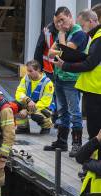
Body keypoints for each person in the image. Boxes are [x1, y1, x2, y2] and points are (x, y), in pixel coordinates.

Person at [44, 6, 89, 157]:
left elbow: (66, 52)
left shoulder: (78, 33)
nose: (59, 25)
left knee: (75, 112)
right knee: (62, 110)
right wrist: (60, 49)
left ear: (70, 16)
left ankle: (77, 144)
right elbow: (50, 53)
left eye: (62, 20)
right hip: (59, 77)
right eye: (57, 23)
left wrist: (61, 35)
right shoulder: (63, 34)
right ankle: (62, 141)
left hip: (71, 79)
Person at [54, 9, 101, 140]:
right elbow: (53, 51)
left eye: (83, 25)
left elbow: (89, 64)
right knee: (91, 124)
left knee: (93, 125)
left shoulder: (96, 37)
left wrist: (65, 65)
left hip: (95, 89)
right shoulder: (95, 37)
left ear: (91, 21)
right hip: (93, 87)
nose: (82, 28)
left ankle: (94, 157)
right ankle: (93, 155)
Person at [15, 59, 54, 134]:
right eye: (27, 71)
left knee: (36, 115)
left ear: (38, 70)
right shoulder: (26, 79)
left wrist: (27, 111)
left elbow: (44, 103)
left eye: (30, 71)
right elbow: (18, 93)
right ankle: (23, 127)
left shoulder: (48, 83)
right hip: (29, 103)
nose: (28, 73)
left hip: (43, 107)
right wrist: (27, 100)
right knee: (14, 106)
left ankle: (46, 125)